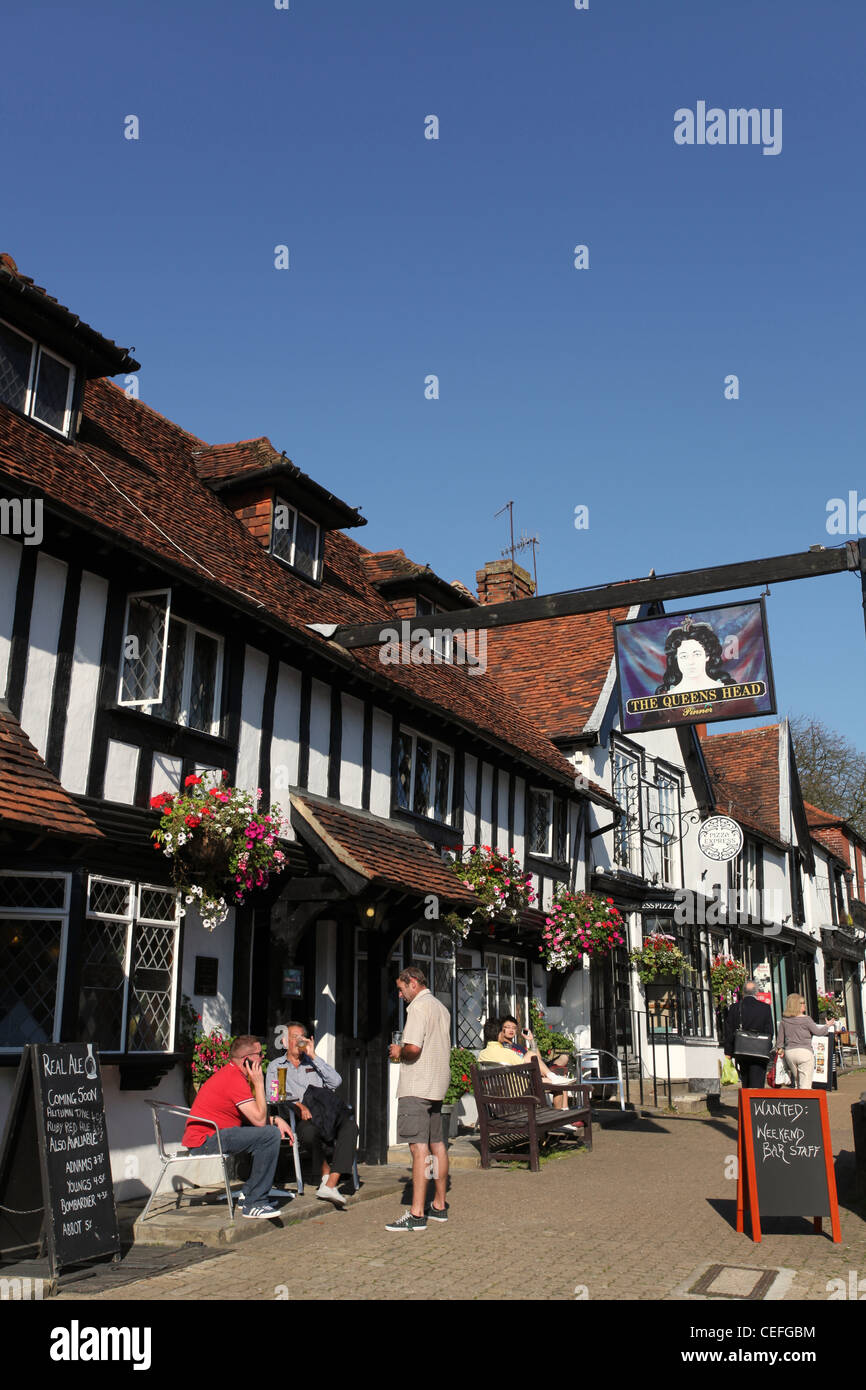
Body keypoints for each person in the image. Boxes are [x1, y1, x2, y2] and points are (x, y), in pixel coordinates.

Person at [181, 1034, 294, 1220]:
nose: (262, 1058)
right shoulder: (234, 1078)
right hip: (207, 1140)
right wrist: (259, 1084)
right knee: (269, 1135)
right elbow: (258, 1120)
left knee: (267, 1132)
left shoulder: (233, 1074)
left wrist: (274, 1120)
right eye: (259, 1054)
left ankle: (249, 1194)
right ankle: (255, 1203)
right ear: (247, 1059)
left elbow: (253, 1115)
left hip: (217, 1135)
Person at [385, 966, 451, 1232]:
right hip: (437, 1083)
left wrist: (398, 1051)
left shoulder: (418, 1008)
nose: (400, 996)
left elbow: (413, 1049)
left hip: (417, 1085)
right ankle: (439, 1205)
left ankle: (416, 1213)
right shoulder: (441, 1007)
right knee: (437, 1144)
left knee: (418, 1148)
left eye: (401, 989)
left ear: (412, 983)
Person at [265, 1023, 358, 1207]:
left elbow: (336, 1081)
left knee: (350, 1127)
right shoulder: (278, 1066)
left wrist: (313, 1055)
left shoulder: (312, 1062)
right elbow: (273, 1096)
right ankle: (325, 1175)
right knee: (310, 1133)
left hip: (324, 1114)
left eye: (302, 1037)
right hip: (300, 1116)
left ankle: (331, 1181)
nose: (298, 1041)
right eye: (294, 1037)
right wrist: (297, 1104)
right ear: (285, 1041)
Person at [478, 1019, 576, 1122]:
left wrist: (531, 1042)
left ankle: (555, 1079)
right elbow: (527, 1066)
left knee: (557, 1080)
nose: (508, 1031)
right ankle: (560, 1120)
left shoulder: (482, 1054)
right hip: (517, 1089)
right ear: (498, 1033)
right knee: (557, 1084)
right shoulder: (506, 1052)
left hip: (500, 1090)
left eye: (514, 1028)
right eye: (505, 1029)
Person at [654, 618, 736, 697]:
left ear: (707, 656)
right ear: (676, 659)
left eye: (697, 654)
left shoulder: (728, 690)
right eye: (684, 656)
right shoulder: (665, 696)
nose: (691, 662)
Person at [723, 980, 774, 1088]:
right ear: (756, 992)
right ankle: (755, 1104)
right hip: (760, 1052)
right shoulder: (765, 1008)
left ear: (743, 993)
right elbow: (769, 1031)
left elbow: (729, 1031)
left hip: (742, 1050)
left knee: (745, 1082)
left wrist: (728, 1052)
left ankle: (746, 1103)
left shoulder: (734, 1008)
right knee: (757, 1084)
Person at [776, 993, 833, 1088]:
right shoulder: (806, 1019)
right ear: (797, 1005)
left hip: (790, 1053)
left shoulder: (784, 1020)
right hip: (804, 1052)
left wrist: (780, 1050)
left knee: (797, 1082)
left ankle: (798, 1101)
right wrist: (827, 1026)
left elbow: (779, 1041)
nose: (804, 1005)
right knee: (805, 1084)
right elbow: (818, 1032)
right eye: (802, 1003)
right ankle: (806, 1102)